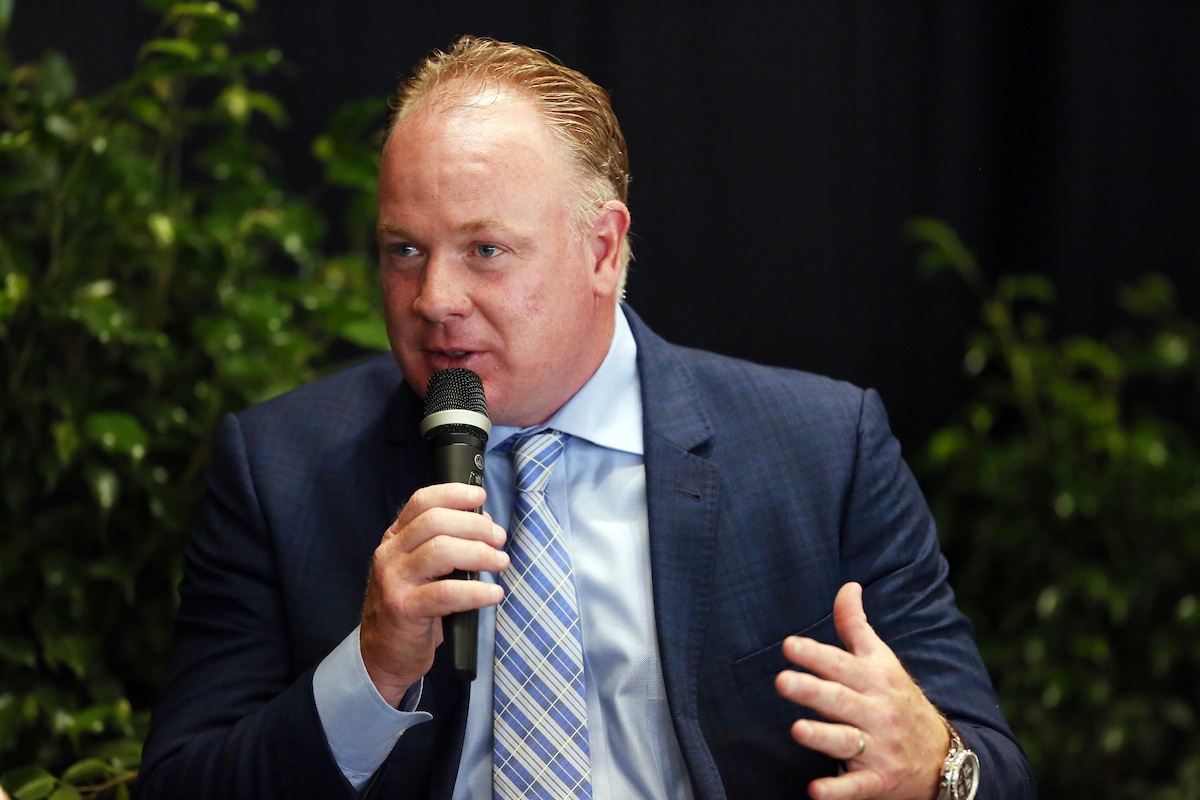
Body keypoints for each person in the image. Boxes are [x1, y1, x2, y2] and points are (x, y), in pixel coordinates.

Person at [137, 36, 1035, 800]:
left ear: (601, 248)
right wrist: (369, 671)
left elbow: (991, 767)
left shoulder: (820, 451)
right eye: (403, 251)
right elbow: (180, 784)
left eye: (486, 251)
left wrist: (936, 768)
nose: (434, 298)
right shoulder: (281, 468)